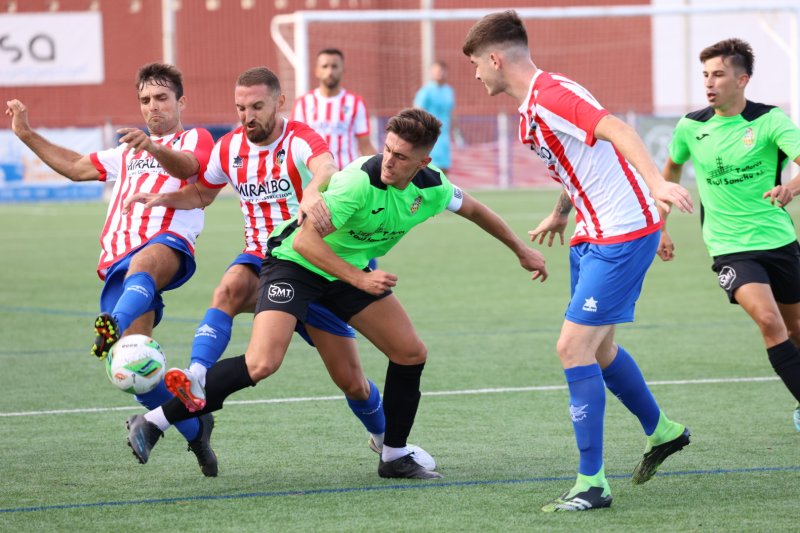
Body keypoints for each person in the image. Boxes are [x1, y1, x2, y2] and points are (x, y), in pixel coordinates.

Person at [125, 107, 548, 480]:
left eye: (401, 157)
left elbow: (474, 209)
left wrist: (521, 250)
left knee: (409, 353)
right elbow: (306, 242)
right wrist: (360, 280)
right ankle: (155, 421)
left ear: (423, 162)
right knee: (262, 363)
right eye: (387, 149)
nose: (389, 161)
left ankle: (394, 455)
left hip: (344, 272)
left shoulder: (431, 187)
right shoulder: (356, 184)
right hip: (294, 264)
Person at [462, 10, 694, 511]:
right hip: (592, 232)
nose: (475, 74)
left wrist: (656, 184)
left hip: (623, 231)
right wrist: (560, 213)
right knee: (599, 348)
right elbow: (578, 164)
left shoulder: (550, 94)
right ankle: (664, 431)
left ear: (495, 59)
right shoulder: (531, 110)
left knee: (572, 348)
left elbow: (616, 129)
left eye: (476, 63)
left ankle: (592, 483)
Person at [123, 66, 402, 462]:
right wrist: (163, 199)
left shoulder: (299, 138)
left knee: (352, 382)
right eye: (240, 108)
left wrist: (312, 191)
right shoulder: (229, 148)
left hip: (317, 264)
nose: (247, 116)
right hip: (265, 259)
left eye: (256, 106)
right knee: (231, 288)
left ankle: (383, 439)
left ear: (279, 102)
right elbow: (201, 193)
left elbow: (325, 167)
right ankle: (197, 374)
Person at [5, 63, 218, 476]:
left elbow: (187, 167)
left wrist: (153, 147)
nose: (153, 106)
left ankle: (112, 323)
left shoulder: (195, 138)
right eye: (145, 100)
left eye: (161, 98)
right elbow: (75, 166)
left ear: (181, 102)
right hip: (119, 262)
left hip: (167, 242)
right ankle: (197, 433)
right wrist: (26, 134)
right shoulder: (125, 152)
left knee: (145, 262)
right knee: (136, 370)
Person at [658, 38, 800, 431]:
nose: (709, 82)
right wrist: (661, 225)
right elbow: (670, 171)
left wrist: (791, 188)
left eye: (718, 74)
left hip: (779, 241)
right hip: (730, 248)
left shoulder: (770, 120)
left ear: (742, 80)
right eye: (705, 74)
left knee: (796, 330)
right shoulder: (691, 126)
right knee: (769, 321)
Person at [290, 48, 377, 170]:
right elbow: (294, 143)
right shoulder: (302, 103)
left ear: (343, 70)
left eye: (334, 66)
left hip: (347, 173)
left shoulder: (356, 102)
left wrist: (378, 169)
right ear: (316, 71)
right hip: (314, 174)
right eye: (325, 66)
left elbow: (365, 144)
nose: (330, 71)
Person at [413, 60, 459, 174]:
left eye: (441, 71)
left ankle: (443, 186)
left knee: (444, 169)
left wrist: (457, 133)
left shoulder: (449, 91)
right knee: (431, 169)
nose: (439, 73)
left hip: (444, 136)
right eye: (436, 71)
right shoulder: (426, 91)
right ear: (431, 72)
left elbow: (452, 112)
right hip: (430, 136)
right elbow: (417, 111)